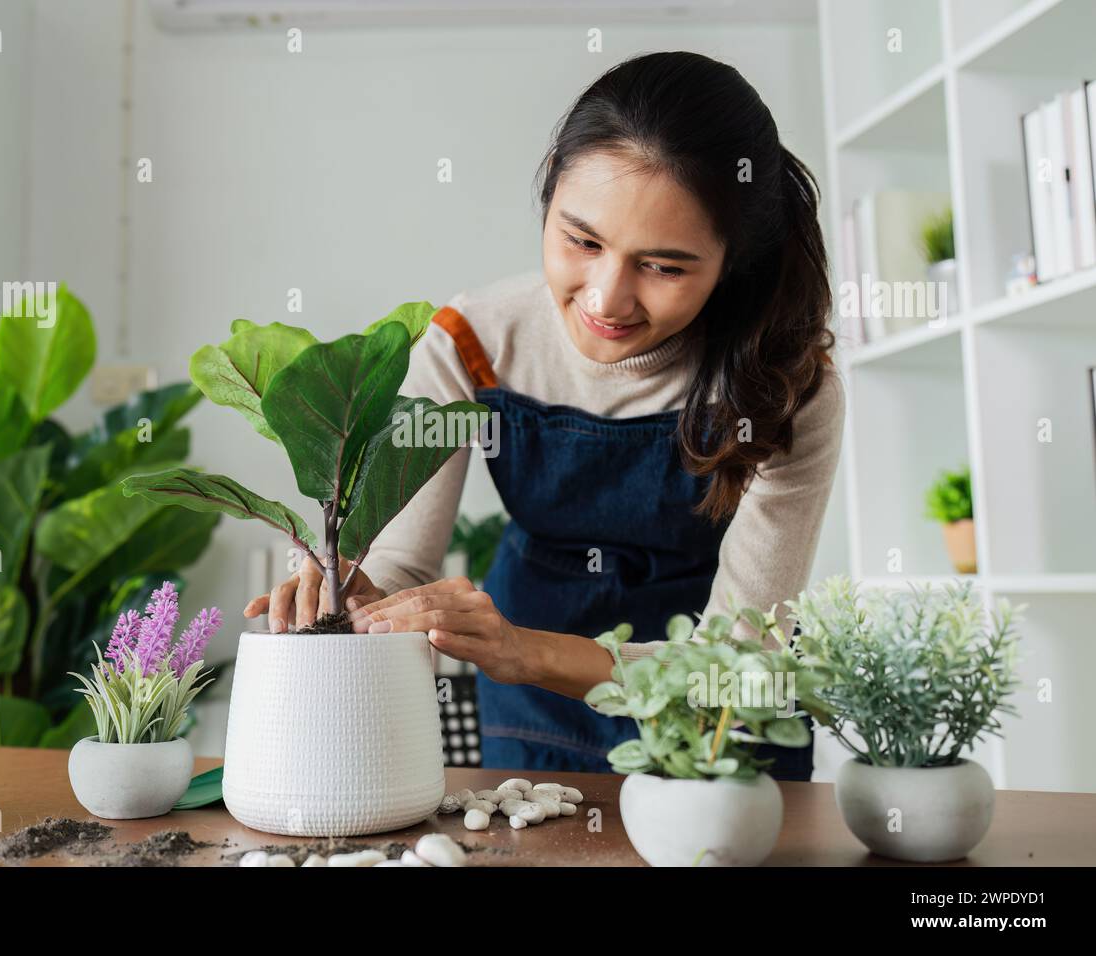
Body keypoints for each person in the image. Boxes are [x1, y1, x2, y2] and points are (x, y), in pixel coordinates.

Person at [243, 50, 845, 779]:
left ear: (733, 260)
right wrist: (357, 591)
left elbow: (738, 663)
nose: (606, 299)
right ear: (551, 184)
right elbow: (400, 564)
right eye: (581, 241)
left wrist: (526, 650)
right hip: (532, 709)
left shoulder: (784, 389)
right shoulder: (473, 345)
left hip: (716, 719)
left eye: (665, 266)